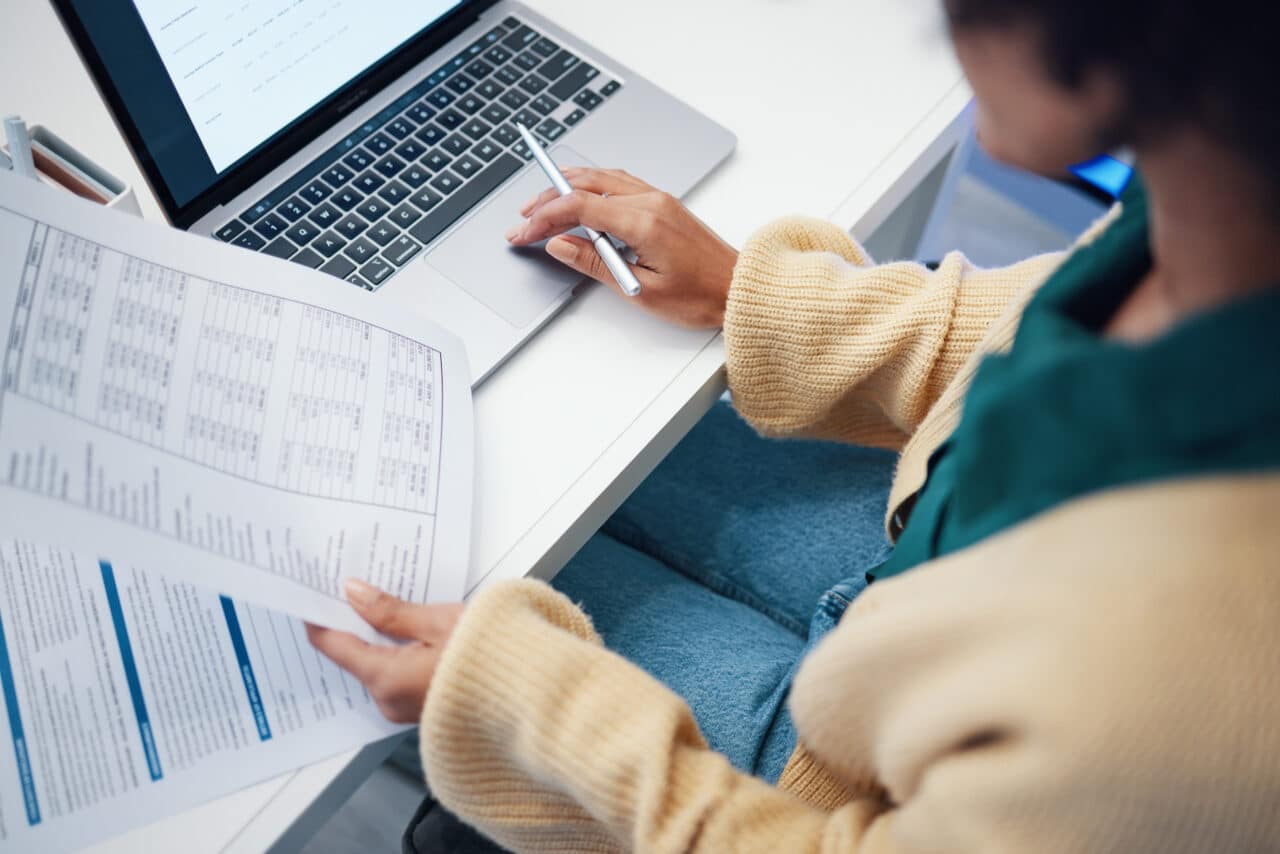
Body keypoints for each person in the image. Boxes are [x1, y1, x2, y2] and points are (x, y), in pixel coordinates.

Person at [306, 0, 1280, 849]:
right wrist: (743, 289)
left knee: (408, 547)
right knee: (500, 479)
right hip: (914, 584)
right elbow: (1039, 320)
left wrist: (525, 704)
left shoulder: (1196, 687)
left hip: (843, 790)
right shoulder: (1217, 202)